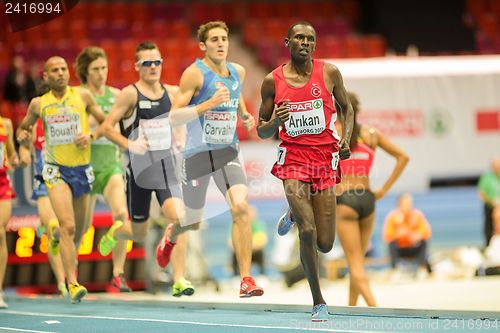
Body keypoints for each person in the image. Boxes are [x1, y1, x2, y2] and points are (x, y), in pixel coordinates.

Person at [257, 21, 354, 321]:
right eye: (299, 38)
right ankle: (318, 302)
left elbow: (346, 109)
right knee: (308, 231)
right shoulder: (272, 81)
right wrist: (275, 123)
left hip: (325, 158)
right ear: (287, 42)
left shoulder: (329, 73)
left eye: (310, 39)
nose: (305, 42)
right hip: (294, 159)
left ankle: (291, 214)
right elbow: (261, 129)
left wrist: (346, 140)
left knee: (325, 244)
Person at [166, 21, 263, 298]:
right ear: (203, 46)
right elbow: (173, 117)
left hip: (227, 152)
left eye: (224, 38)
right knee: (193, 221)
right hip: (197, 155)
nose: (221, 43)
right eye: (214, 40)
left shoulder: (238, 71)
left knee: (241, 209)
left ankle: (246, 280)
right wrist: (207, 104)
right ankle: (172, 234)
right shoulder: (194, 74)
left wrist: (244, 114)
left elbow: (234, 97)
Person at [95, 41, 194, 297]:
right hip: (138, 173)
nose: (153, 67)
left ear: (162, 64)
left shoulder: (171, 93)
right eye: (147, 63)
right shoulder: (129, 94)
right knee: (139, 233)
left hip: (165, 169)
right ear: (138, 66)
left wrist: (180, 137)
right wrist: (131, 143)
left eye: (157, 62)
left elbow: (180, 118)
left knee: (180, 218)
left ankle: (179, 278)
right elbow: (106, 127)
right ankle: (118, 232)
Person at [16, 56, 106, 304]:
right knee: (66, 226)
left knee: (79, 229)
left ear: (69, 72)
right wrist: (23, 138)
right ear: (45, 76)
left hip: (81, 169)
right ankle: (72, 282)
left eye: (64, 69)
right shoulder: (38, 104)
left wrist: (91, 134)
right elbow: (23, 128)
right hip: (54, 170)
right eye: (54, 70)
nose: (60, 73)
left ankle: (63, 253)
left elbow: (105, 122)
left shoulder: (83, 97)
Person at [334, 92, 409, 306]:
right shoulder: (371, 134)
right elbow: (403, 157)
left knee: (355, 265)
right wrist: (384, 189)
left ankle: (375, 311)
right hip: (367, 199)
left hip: (344, 200)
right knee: (357, 262)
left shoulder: (331, 134)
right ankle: (351, 310)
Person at [75, 46, 132, 292]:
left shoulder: (117, 95)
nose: (101, 73)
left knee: (121, 215)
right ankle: (71, 275)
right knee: (81, 227)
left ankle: (118, 274)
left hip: (111, 164)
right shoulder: (77, 95)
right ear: (85, 72)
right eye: (95, 69)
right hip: (84, 166)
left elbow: (119, 127)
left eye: (104, 67)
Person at [18, 117, 68, 297]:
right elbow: (22, 138)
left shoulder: (64, 121)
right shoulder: (35, 125)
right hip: (45, 183)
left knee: (63, 230)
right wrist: (24, 154)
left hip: (62, 182)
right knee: (55, 228)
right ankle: (62, 283)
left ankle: (63, 281)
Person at [382, 193, 432, 279]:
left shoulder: (417, 215)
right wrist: (398, 235)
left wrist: (418, 235)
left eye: (410, 204)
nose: (408, 206)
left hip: (413, 247)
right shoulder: (393, 216)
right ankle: (395, 271)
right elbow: (387, 235)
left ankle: (422, 269)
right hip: (400, 248)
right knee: (392, 244)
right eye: (406, 204)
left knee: (423, 242)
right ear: (399, 204)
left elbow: (426, 231)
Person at [0, 115, 19, 308]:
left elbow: (11, 153)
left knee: (0, 232)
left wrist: (15, 159)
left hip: (2, 182)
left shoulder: (5, 123)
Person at [228, 205, 268, 276]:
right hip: (241, 252)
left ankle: (262, 275)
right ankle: (236, 276)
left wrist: (244, 246)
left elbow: (261, 243)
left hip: (254, 252)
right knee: (235, 254)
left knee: (260, 252)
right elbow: (231, 244)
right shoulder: (235, 225)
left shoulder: (258, 224)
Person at [478, 157, 500, 247]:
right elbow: (481, 193)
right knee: (489, 227)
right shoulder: (487, 177)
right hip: (490, 206)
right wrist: (492, 201)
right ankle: (488, 245)